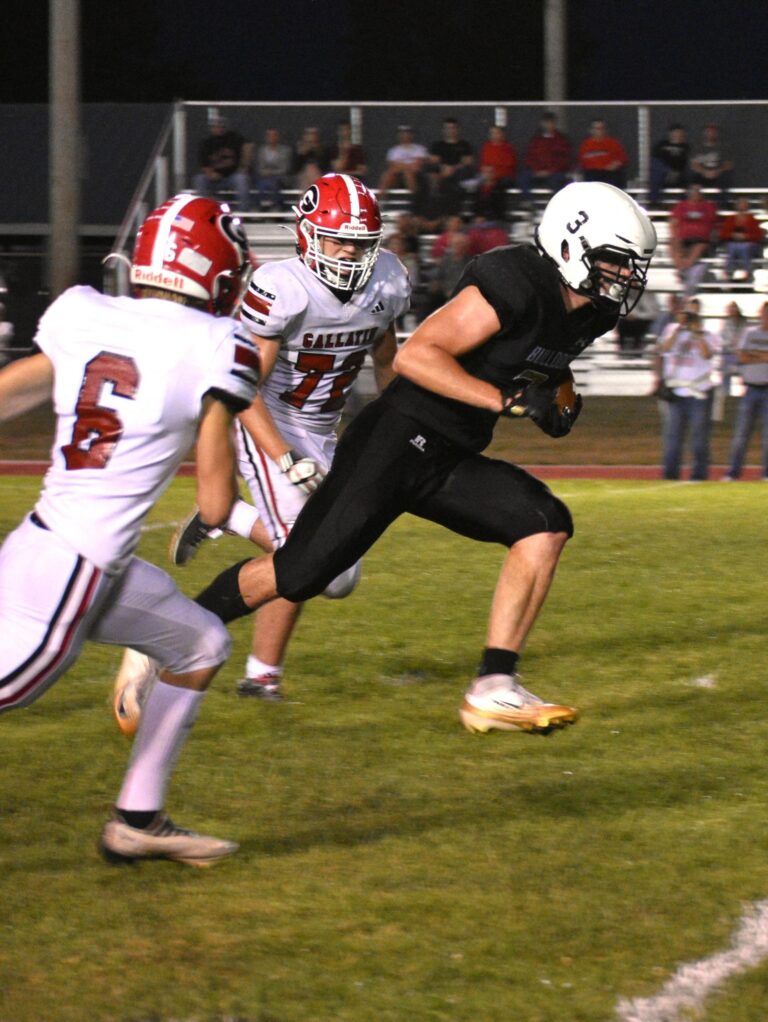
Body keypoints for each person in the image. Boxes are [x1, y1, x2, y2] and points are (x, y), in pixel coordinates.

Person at [182, 182, 657, 736]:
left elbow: (547, 355)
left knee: (545, 523)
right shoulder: (514, 280)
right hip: (395, 442)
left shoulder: (593, 312)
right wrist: (502, 399)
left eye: (631, 264)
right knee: (302, 573)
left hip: (448, 455)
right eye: (615, 260)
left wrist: (560, 394)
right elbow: (415, 356)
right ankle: (179, 629)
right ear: (571, 246)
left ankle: (493, 688)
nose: (626, 276)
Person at [0, 194, 259, 866]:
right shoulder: (217, 342)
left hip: (55, 550)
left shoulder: (87, 311)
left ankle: (137, 821)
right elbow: (213, 502)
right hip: (72, 572)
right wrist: (272, 529)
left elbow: (14, 391)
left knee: (199, 642)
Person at [115, 175, 410, 705]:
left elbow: (386, 362)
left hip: (323, 429)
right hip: (267, 422)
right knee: (318, 564)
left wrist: (402, 429)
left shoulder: (386, 281)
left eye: (360, 243)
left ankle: (261, 672)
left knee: (314, 564)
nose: (349, 253)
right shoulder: (283, 287)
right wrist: (285, 457)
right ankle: (175, 625)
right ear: (308, 235)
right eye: (337, 240)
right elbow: (244, 386)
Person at [657, 304, 717, 480]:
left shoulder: (708, 334)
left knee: (699, 438)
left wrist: (697, 333)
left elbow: (707, 354)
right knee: (673, 438)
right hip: (676, 393)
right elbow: (664, 349)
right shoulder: (671, 330)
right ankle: (670, 474)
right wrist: (678, 329)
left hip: (698, 393)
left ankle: (699, 475)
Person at [723, 302, 768, 481]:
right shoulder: (749, 333)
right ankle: (733, 472)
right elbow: (741, 356)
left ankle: (766, 474)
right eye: (764, 313)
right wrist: (762, 356)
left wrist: (753, 354)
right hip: (751, 388)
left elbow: (748, 355)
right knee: (741, 434)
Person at [193, 114, 253, 212]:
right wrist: (210, 173)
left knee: (241, 179)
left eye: (221, 126)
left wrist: (244, 166)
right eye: (216, 126)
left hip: (231, 177)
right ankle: (203, 210)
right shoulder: (206, 142)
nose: (219, 128)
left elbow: (248, 145)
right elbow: (203, 163)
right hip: (214, 178)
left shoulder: (233, 138)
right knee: (199, 179)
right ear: (211, 128)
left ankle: (244, 210)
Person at [668, 184, 719, 295]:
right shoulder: (681, 206)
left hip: (701, 240)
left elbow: (712, 224)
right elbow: (673, 222)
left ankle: (684, 269)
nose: (695, 194)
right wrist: (676, 236)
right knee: (673, 243)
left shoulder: (708, 206)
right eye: (693, 192)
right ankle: (681, 267)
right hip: (684, 239)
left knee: (699, 247)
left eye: (697, 192)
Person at [427, 117, 475, 217]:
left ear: (458, 129)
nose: (451, 130)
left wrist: (453, 168)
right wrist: (444, 168)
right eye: (448, 128)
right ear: (443, 130)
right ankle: (435, 198)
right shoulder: (438, 145)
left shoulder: (464, 145)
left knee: (459, 174)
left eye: (453, 128)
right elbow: (434, 161)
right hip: (442, 172)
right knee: (433, 171)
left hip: (459, 173)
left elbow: (468, 161)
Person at [520, 111, 572, 202]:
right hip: (536, 172)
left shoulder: (561, 140)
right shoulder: (535, 140)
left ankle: (557, 203)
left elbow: (564, 159)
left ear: (555, 124)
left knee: (559, 181)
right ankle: (527, 203)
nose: (548, 125)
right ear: (542, 124)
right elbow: (529, 157)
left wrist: (550, 171)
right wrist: (536, 170)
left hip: (555, 173)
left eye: (551, 122)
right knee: (523, 178)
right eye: (546, 122)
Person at [377, 125, 429, 199]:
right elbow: (392, 166)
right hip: (397, 176)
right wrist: (406, 167)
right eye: (402, 133)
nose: (405, 136)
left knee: (408, 173)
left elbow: (418, 164)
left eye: (407, 133)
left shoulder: (419, 149)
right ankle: (380, 199)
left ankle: (414, 197)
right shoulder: (393, 150)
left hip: (416, 175)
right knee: (387, 175)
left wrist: (403, 166)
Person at [690, 123, 734, 207]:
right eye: (709, 132)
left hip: (718, 174)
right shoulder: (698, 148)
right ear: (705, 133)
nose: (711, 134)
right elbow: (693, 164)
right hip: (702, 175)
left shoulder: (723, 148)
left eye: (713, 132)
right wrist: (704, 172)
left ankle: (722, 204)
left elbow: (729, 164)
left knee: (726, 178)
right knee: (692, 178)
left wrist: (718, 171)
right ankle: (693, 205)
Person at [719, 198, 764, 281]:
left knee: (743, 247)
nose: (742, 206)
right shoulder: (730, 219)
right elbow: (723, 234)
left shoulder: (752, 219)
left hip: (750, 244)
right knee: (733, 247)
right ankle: (729, 272)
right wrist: (732, 235)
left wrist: (745, 236)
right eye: (740, 203)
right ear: (736, 206)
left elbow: (758, 235)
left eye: (744, 204)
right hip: (733, 243)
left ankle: (747, 271)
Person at [577, 119, 628, 189]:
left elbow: (621, 159)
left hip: (609, 174)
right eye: (597, 128)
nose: (599, 131)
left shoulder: (613, 143)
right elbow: (581, 162)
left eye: (602, 128)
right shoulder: (585, 145)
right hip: (592, 174)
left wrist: (613, 165)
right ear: (591, 130)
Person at [254, 127, 293, 211]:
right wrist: (265, 172)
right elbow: (259, 167)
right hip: (264, 177)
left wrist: (271, 172)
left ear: (278, 137)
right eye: (269, 135)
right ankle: (260, 207)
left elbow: (285, 168)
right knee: (261, 183)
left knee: (274, 183)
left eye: (274, 135)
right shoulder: (261, 151)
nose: (271, 138)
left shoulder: (286, 150)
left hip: (280, 177)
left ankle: (276, 206)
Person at [649, 124, 689, 204]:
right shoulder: (661, 145)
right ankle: (654, 202)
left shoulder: (685, 147)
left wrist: (675, 172)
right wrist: (667, 170)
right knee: (657, 170)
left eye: (680, 133)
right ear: (671, 134)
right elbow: (655, 159)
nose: (678, 135)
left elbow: (686, 161)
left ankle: (685, 204)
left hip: (679, 172)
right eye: (676, 133)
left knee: (687, 177)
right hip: (663, 171)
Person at [293, 127, 331, 193]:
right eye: (309, 142)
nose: (311, 144)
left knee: (312, 169)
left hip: (320, 176)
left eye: (314, 142)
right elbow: (294, 169)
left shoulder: (323, 151)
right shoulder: (298, 151)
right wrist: (302, 154)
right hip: (301, 178)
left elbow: (325, 167)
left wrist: (318, 152)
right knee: (309, 170)